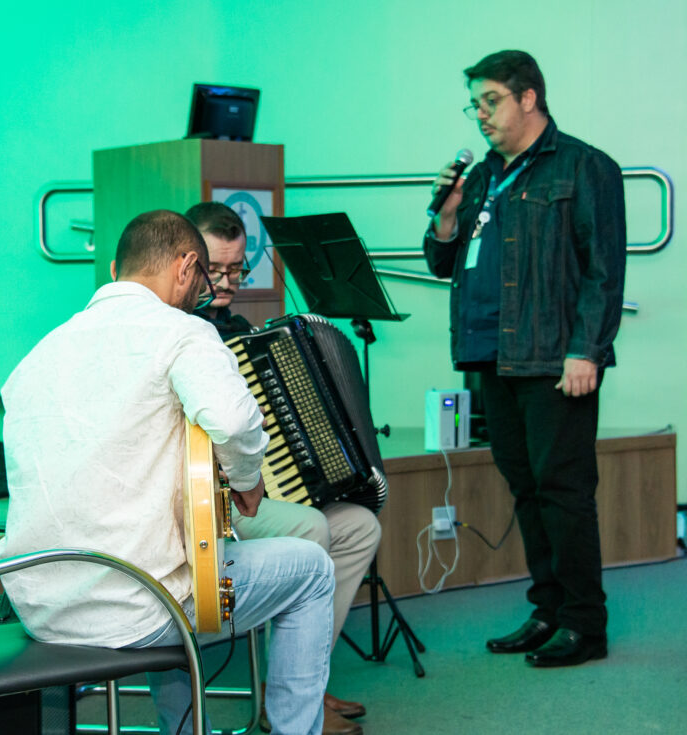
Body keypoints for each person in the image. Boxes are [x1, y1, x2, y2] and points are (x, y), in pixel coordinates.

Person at [0, 209, 336, 735]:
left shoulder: (39, 354)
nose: (201, 294)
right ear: (186, 267)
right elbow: (232, 421)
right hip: (136, 607)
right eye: (202, 282)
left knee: (172, 560)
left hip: (42, 605)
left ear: (117, 270)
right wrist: (247, 481)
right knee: (311, 570)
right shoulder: (182, 332)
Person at [424, 50, 626, 667]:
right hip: (491, 355)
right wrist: (447, 216)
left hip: (554, 359)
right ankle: (548, 609)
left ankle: (585, 624)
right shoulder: (483, 175)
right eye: (475, 105)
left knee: (563, 490)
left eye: (491, 101)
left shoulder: (584, 166)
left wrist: (586, 351)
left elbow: (603, 271)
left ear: (529, 98)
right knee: (526, 488)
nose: (481, 114)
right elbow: (443, 262)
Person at [188, 202, 381, 734]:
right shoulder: (182, 335)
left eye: (237, 269)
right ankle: (288, 700)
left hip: (258, 489)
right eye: (215, 269)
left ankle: (302, 680)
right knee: (312, 528)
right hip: (210, 500)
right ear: (189, 262)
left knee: (360, 526)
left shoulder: (238, 330)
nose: (226, 283)